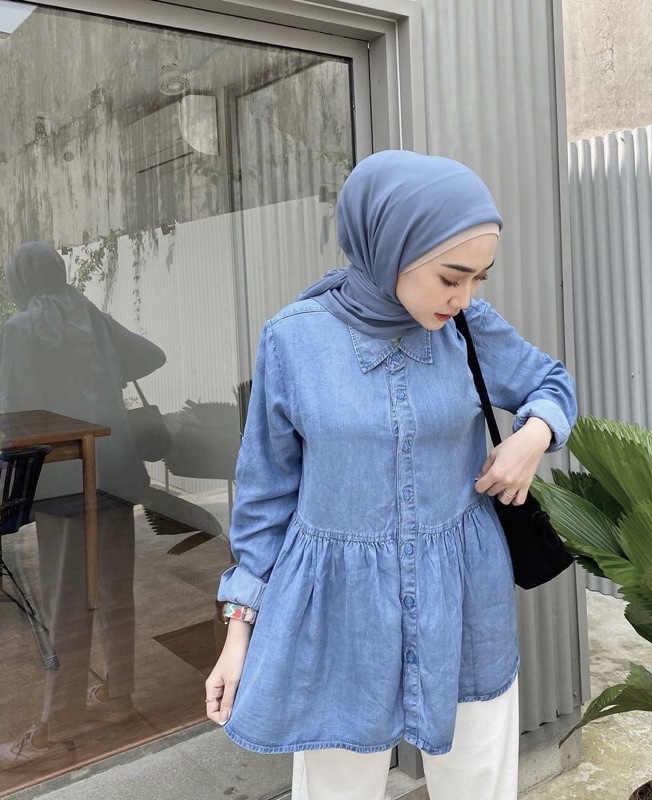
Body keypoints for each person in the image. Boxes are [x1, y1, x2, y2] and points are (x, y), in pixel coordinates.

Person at [204, 150, 577, 800]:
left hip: (465, 601)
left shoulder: (469, 329)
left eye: (479, 278)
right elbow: (265, 500)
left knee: (479, 786)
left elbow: (551, 382)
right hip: (336, 613)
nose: (464, 297)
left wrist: (533, 436)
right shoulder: (293, 341)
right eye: (451, 277)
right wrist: (239, 634)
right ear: (390, 248)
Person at [0, 241, 166, 769]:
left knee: (65, 604)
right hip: (115, 470)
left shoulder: (18, 331)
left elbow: (11, 415)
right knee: (115, 591)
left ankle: (57, 726)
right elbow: (153, 355)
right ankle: (118, 695)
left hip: (60, 479)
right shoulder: (91, 318)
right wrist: (98, 371)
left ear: (19, 280)